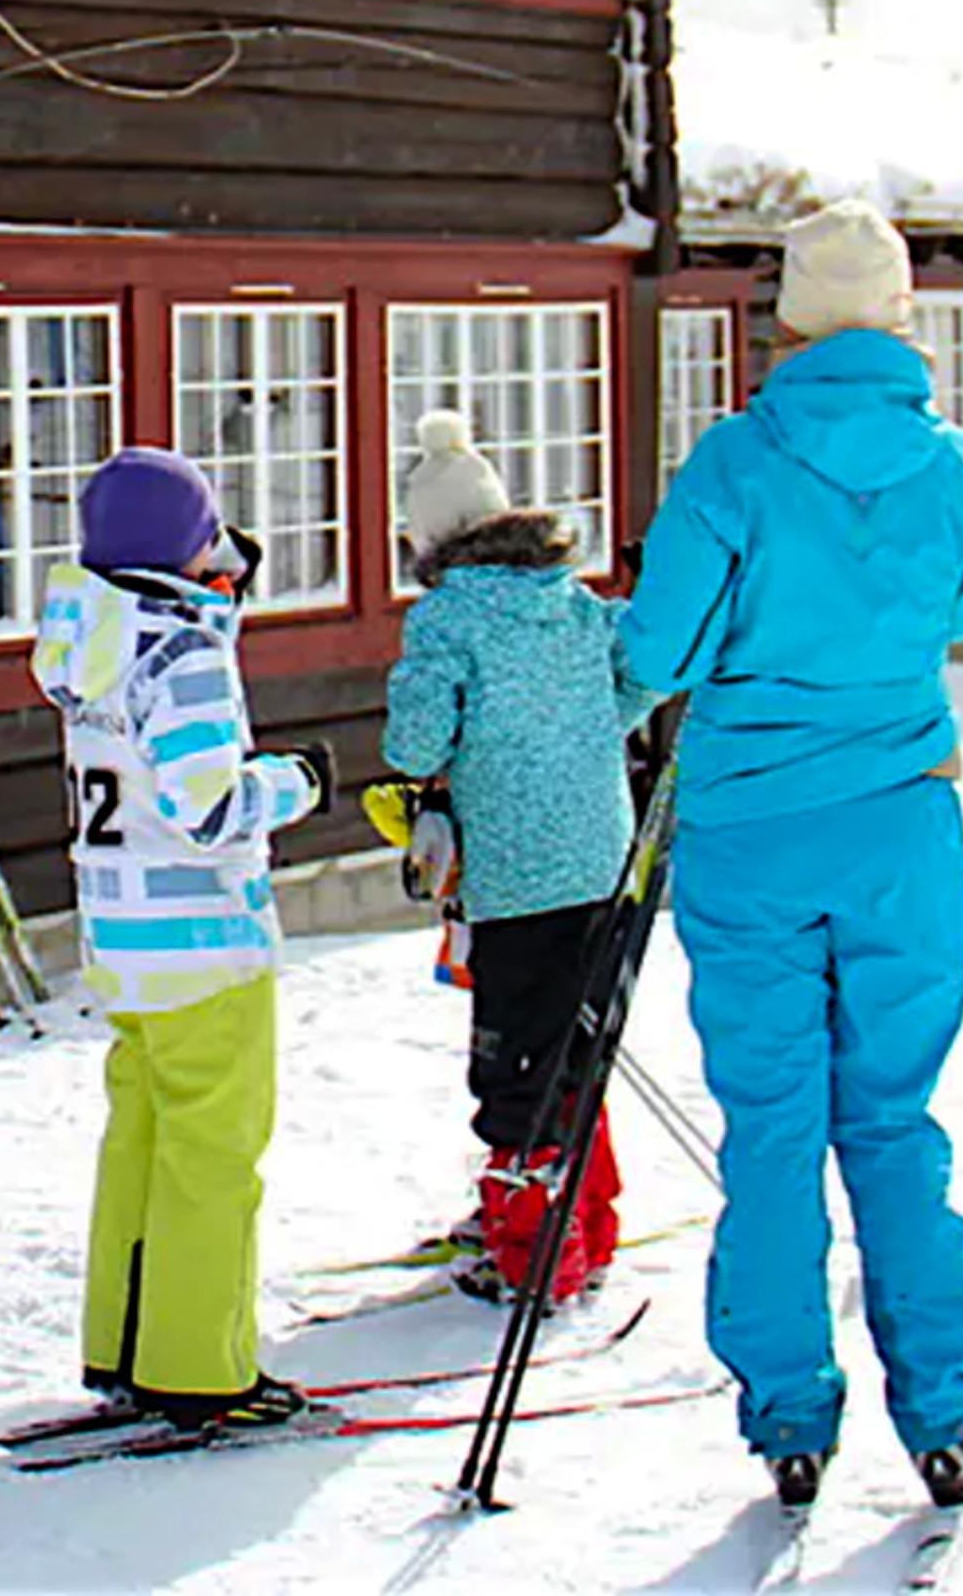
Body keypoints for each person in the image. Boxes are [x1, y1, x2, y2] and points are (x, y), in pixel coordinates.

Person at [621, 200, 963, 1516]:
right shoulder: (948, 460)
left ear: (785, 318)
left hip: (751, 832)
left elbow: (659, 650)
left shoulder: (732, 460)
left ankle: (790, 1409)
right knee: (892, 1115)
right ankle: (948, 1408)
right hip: (902, 817)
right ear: (899, 315)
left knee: (774, 1126)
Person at [30, 448, 325, 1430]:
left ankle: (124, 1338)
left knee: (143, 1139)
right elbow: (210, 810)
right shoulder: (183, 656)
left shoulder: (98, 647)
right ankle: (200, 1365)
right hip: (205, 939)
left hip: (123, 936)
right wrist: (293, 782)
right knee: (213, 1154)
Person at [379, 407, 652, 1306]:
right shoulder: (574, 600)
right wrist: (584, 736)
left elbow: (415, 745)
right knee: (577, 1047)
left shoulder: (447, 619)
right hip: (602, 860)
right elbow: (643, 676)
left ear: (432, 539)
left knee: (515, 1064)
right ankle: (589, 1222)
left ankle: (533, 1250)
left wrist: (450, 739)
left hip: (515, 875)